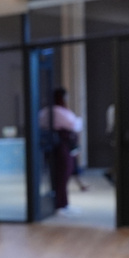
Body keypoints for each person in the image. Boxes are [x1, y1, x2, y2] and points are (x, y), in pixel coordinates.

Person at [39, 87, 84, 215]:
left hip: (52, 146)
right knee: (63, 174)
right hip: (61, 146)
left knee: (58, 175)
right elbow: (74, 125)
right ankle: (60, 204)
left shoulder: (45, 111)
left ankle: (62, 203)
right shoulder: (59, 111)